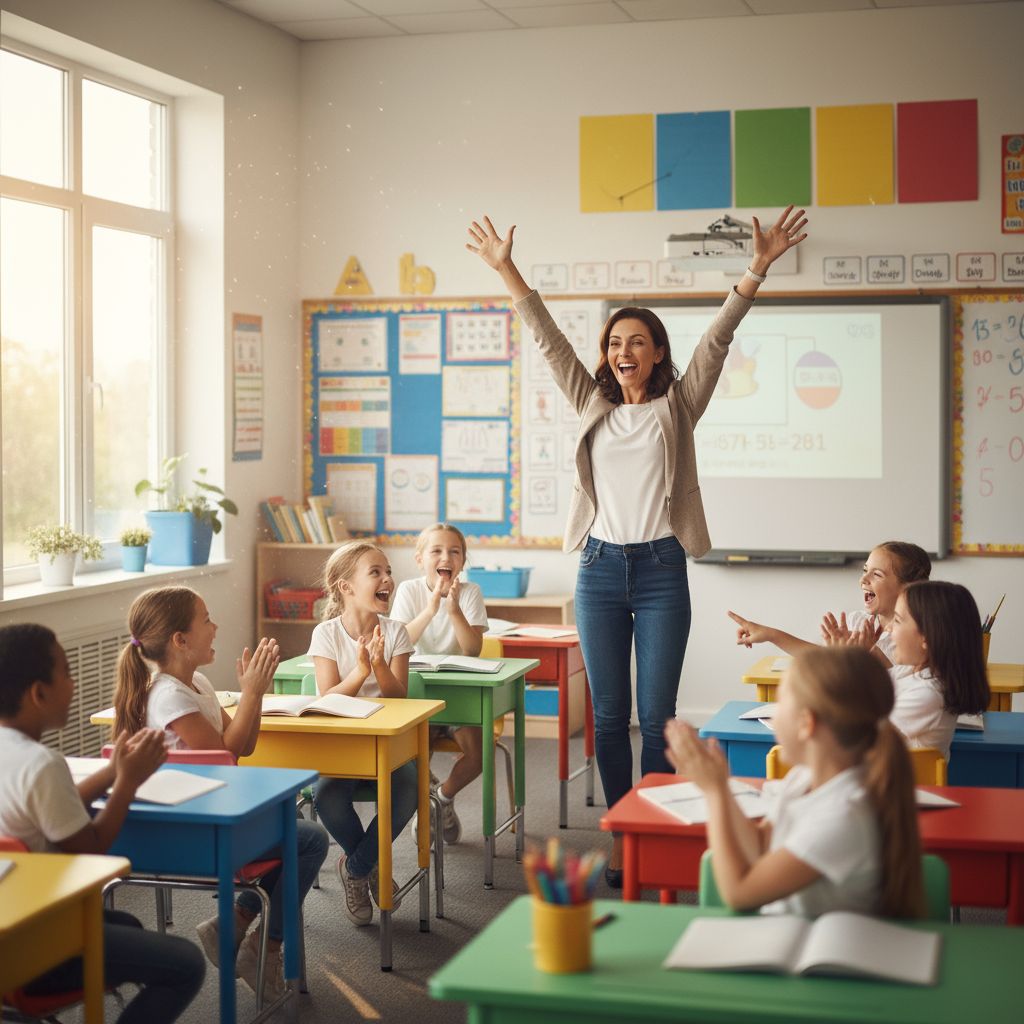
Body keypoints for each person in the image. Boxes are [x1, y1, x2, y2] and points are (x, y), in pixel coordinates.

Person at [466, 209, 808, 886]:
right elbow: (547, 339)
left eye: (639, 342)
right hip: (597, 571)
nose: (624, 351)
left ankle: (653, 834)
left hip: (659, 571)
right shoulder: (590, 401)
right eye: (615, 342)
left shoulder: (677, 407)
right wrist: (505, 267)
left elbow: (716, 340)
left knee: (657, 719)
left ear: (657, 354)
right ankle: (625, 835)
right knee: (609, 718)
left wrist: (757, 267)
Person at [113, 586, 329, 1001]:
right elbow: (224, 755)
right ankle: (260, 944)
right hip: (197, 828)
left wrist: (257, 694)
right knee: (309, 839)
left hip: (215, 809)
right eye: (206, 620)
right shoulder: (169, 697)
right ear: (180, 639)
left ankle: (233, 922)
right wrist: (250, 692)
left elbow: (241, 744)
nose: (215, 627)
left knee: (298, 833)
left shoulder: (196, 682)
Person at [0, 623, 206, 1023]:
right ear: (39, 693)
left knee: (126, 922)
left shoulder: (19, 759)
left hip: (9, 918)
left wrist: (113, 770)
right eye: (66, 672)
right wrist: (128, 782)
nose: (73, 683)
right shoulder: (43, 764)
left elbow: (49, 814)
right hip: (38, 943)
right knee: (187, 965)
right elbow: (90, 849)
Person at [665, 646, 925, 918]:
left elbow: (738, 893)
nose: (772, 715)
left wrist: (715, 792)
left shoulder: (846, 814)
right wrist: (721, 786)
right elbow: (762, 844)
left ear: (806, 723)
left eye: (780, 703)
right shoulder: (804, 777)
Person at [307, 541, 418, 925]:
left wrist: (379, 665)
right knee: (327, 798)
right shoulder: (326, 634)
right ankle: (369, 868)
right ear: (346, 587)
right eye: (376, 572)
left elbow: (398, 697)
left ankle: (355, 868)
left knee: (408, 791)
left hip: (389, 742)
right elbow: (327, 697)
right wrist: (360, 671)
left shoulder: (396, 631)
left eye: (388, 571)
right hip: (343, 744)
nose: (388, 578)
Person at [391, 522, 489, 845]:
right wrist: (431, 609)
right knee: (412, 754)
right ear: (420, 559)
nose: (445, 556)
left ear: (462, 561)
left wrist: (454, 610)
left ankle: (441, 799)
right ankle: (427, 797)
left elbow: (472, 649)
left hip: (461, 695)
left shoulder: (470, 592)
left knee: (479, 756)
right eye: (436, 550)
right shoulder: (409, 591)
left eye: (454, 551)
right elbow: (400, 641)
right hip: (422, 695)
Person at [729, 540, 931, 676]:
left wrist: (865, 654)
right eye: (864, 571)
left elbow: (891, 688)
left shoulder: (913, 638)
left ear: (908, 587)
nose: (863, 579)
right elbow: (820, 657)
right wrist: (770, 634)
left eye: (876, 575)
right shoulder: (857, 621)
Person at [884, 580, 990, 759]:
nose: (888, 627)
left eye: (897, 620)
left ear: (926, 636)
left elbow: (856, 731)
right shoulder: (908, 672)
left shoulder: (929, 694)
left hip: (904, 786)